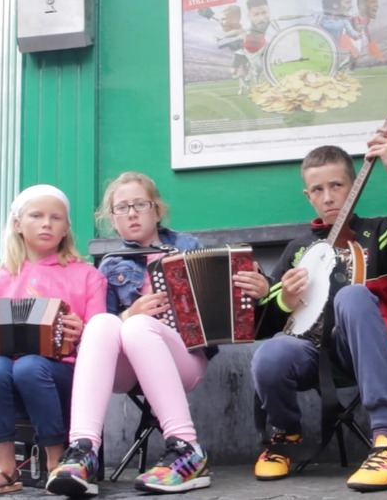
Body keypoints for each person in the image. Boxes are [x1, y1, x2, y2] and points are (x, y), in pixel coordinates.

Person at [46, 172, 269, 496]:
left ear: (157, 210)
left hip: (184, 357)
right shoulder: (110, 264)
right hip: (127, 368)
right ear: (112, 219)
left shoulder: (188, 247)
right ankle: (83, 450)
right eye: (122, 208)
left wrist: (258, 288)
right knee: (104, 323)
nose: (132, 213)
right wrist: (128, 313)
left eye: (140, 204)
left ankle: (186, 448)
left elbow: (228, 298)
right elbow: (100, 332)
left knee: (138, 327)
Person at [251, 130, 387, 491]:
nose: (328, 197)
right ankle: (286, 436)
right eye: (318, 190)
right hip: (307, 355)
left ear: (354, 187)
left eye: (337, 186)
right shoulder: (297, 249)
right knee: (271, 352)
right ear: (308, 196)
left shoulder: (376, 232)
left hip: (359, 351)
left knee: (352, 296)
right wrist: (281, 299)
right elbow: (263, 327)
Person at [0, 185, 107, 500]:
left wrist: (81, 332)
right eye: (36, 216)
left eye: (56, 218)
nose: (46, 224)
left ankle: (57, 462)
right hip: (7, 383)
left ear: (66, 228)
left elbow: (103, 341)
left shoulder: (87, 276)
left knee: (28, 366)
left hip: (65, 380)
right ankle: (5, 467)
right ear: (17, 224)